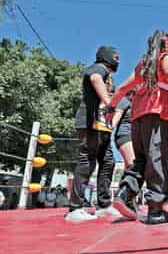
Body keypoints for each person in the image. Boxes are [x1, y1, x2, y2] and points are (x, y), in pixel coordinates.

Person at [107, 30, 168, 225]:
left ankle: (126, 192)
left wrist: (111, 106)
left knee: (141, 159)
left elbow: (123, 87)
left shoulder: (143, 64)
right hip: (159, 110)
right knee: (159, 159)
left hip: (138, 114)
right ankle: (155, 209)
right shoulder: (166, 56)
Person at [66, 45, 120, 222]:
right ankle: (75, 208)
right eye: (115, 57)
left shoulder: (108, 75)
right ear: (107, 57)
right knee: (87, 161)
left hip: (102, 126)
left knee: (107, 162)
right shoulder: (99, 68)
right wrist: (108, 102)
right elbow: (96, 78)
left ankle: (103, 205)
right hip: (89, 122)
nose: (117, 60)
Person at [111, 89, 136, 169]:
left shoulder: (134, 104)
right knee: (132, 164)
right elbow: (117, 115)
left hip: (132, 137)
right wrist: (108, 131)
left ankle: (124, 181)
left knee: (128, 168)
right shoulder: (124, 100)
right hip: (124, 135)